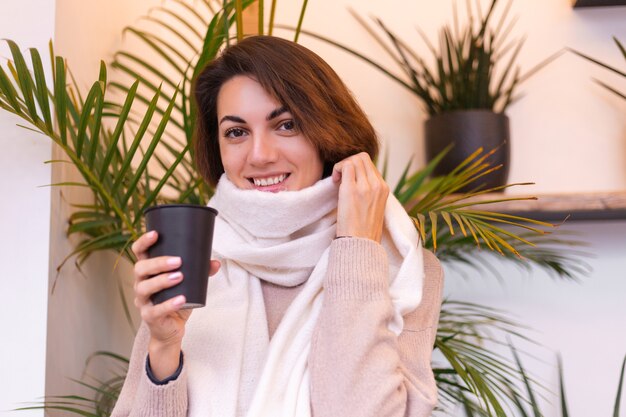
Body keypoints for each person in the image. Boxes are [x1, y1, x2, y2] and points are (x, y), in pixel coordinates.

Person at [111, 35, 439, 417]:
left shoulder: (401, 266)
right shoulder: (196, 260)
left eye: (286, 125)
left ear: (327, 132)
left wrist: (356, 246)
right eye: (236, 132)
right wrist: (164, 347)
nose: (260, 155)